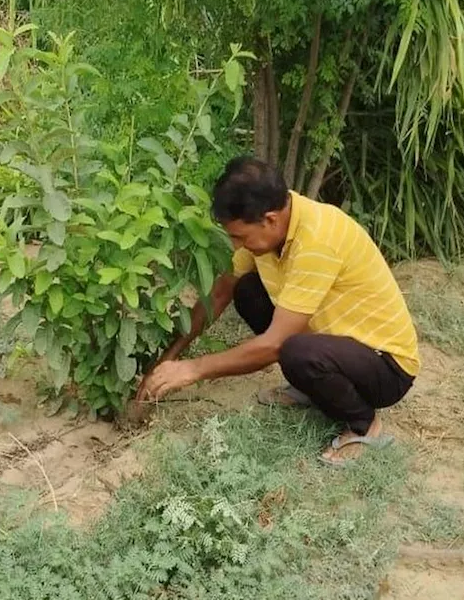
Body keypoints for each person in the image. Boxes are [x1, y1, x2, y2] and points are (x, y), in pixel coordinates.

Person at [143, 155, 420, 465]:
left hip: (386, 366)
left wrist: (193, 369)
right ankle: (313, 388)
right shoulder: (275, 227)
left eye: (240, 237)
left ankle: (363, 424)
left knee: (294, 350)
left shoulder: (317, 240)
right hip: (336, 342)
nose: (237, 246)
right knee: (247, 290)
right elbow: (220, 293)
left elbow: (274, 345)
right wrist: (168, 359)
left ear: (271, 219)